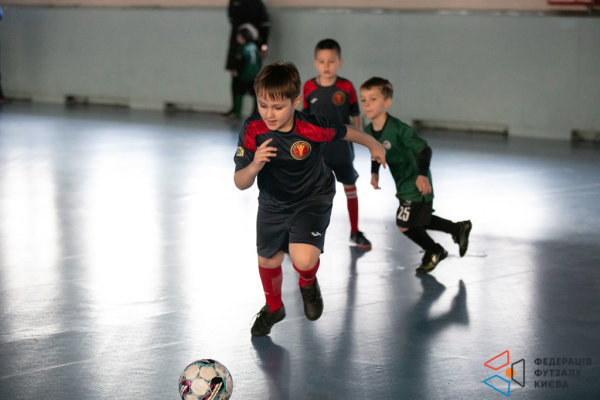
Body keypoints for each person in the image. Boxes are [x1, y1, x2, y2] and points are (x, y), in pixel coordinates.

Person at [234, 62, 386, 336]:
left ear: (296, 102)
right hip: (272, 203)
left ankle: (308, 282)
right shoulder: (253, 129)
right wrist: (254, 165)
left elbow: (345, 131)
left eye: (278, 107)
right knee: (268, 260)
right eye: (263, 105)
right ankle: (274, 307)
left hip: (312, 198)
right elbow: (240, 182)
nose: (269, 114)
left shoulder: (310, 127)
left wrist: (373, 145)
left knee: (303, 260)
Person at [360, 77, 472, 274]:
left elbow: (425, 150)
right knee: (420, 218)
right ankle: (457, 229)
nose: (367, 104)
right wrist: (374, 173)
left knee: (405, 224)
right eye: (363, 100)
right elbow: (376, 152)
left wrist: (422, 175)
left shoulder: (400, 129)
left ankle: (435, 250)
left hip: (417, 181)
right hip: (402, 183)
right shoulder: (368, 130)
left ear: (387, 102)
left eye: (373, 99)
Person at [303, 39, 371, 249]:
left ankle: (355, 232)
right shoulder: (308, 87)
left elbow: (355, 114)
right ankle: (303, 234)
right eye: (322, 61)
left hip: (342, 150)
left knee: (350, 187)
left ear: (340, 63)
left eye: (331, 61)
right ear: (315, 63)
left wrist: (361, 138)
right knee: (310, 193)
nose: (326, 65)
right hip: (317, 151)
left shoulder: (346, 86)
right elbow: (304, 120)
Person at [223, 0, 270, 118]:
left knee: (254, 80)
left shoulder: (258, 3)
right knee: (235, 77)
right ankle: (235, 109)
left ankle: (256, 110)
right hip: (237, 44)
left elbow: (265, 26)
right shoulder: (234, 2)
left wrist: (263, 46)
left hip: (254, 45)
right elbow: (232, 19)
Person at [231, 24, 261, 121]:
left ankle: (237, 114)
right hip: (254, 74)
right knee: (255, 94)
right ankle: (256, 113)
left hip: (244, 75)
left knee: (238, 93)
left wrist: (236, 71)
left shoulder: (242, 48)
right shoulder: (254, 47)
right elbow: (258, 60)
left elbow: (242, 62)